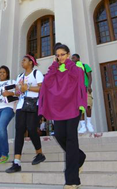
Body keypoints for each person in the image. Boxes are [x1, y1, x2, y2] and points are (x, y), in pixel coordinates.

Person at [39, 44, 87, 189]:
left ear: (68, 54)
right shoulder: (54, 70)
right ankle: (79, 157)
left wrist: (68, 63)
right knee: (59, 135)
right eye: (58, 55)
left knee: (71, 140)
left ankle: (72, 181)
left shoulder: (76, 67)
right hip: (59, 110)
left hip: (73, 107)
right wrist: (55, 64)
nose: (60, 57)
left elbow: (79, 77)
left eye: (63, 54)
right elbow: (47, 82)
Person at [6, 53, 46, 173]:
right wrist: (11, 93)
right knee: (19, 131)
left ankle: (39, 153)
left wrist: (27, 88)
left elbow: (42, 88)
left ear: (30, 62)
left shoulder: (36, 73)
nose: (21, 62)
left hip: (34, 105)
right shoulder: (19, 76)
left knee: (31, 128)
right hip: (20, 106)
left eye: (24, 60)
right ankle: (16, 162)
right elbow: (19, 92)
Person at [71, 54, 94, 133]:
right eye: (71, 58)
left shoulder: (84, 66)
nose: (72, 59)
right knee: (79, 108)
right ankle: (83, 125)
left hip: (85, 88)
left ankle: (89, 123)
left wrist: (89, 86)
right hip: (76, 91)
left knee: (88, 105)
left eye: (74, 57)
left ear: (78, 58)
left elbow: (90, 76)